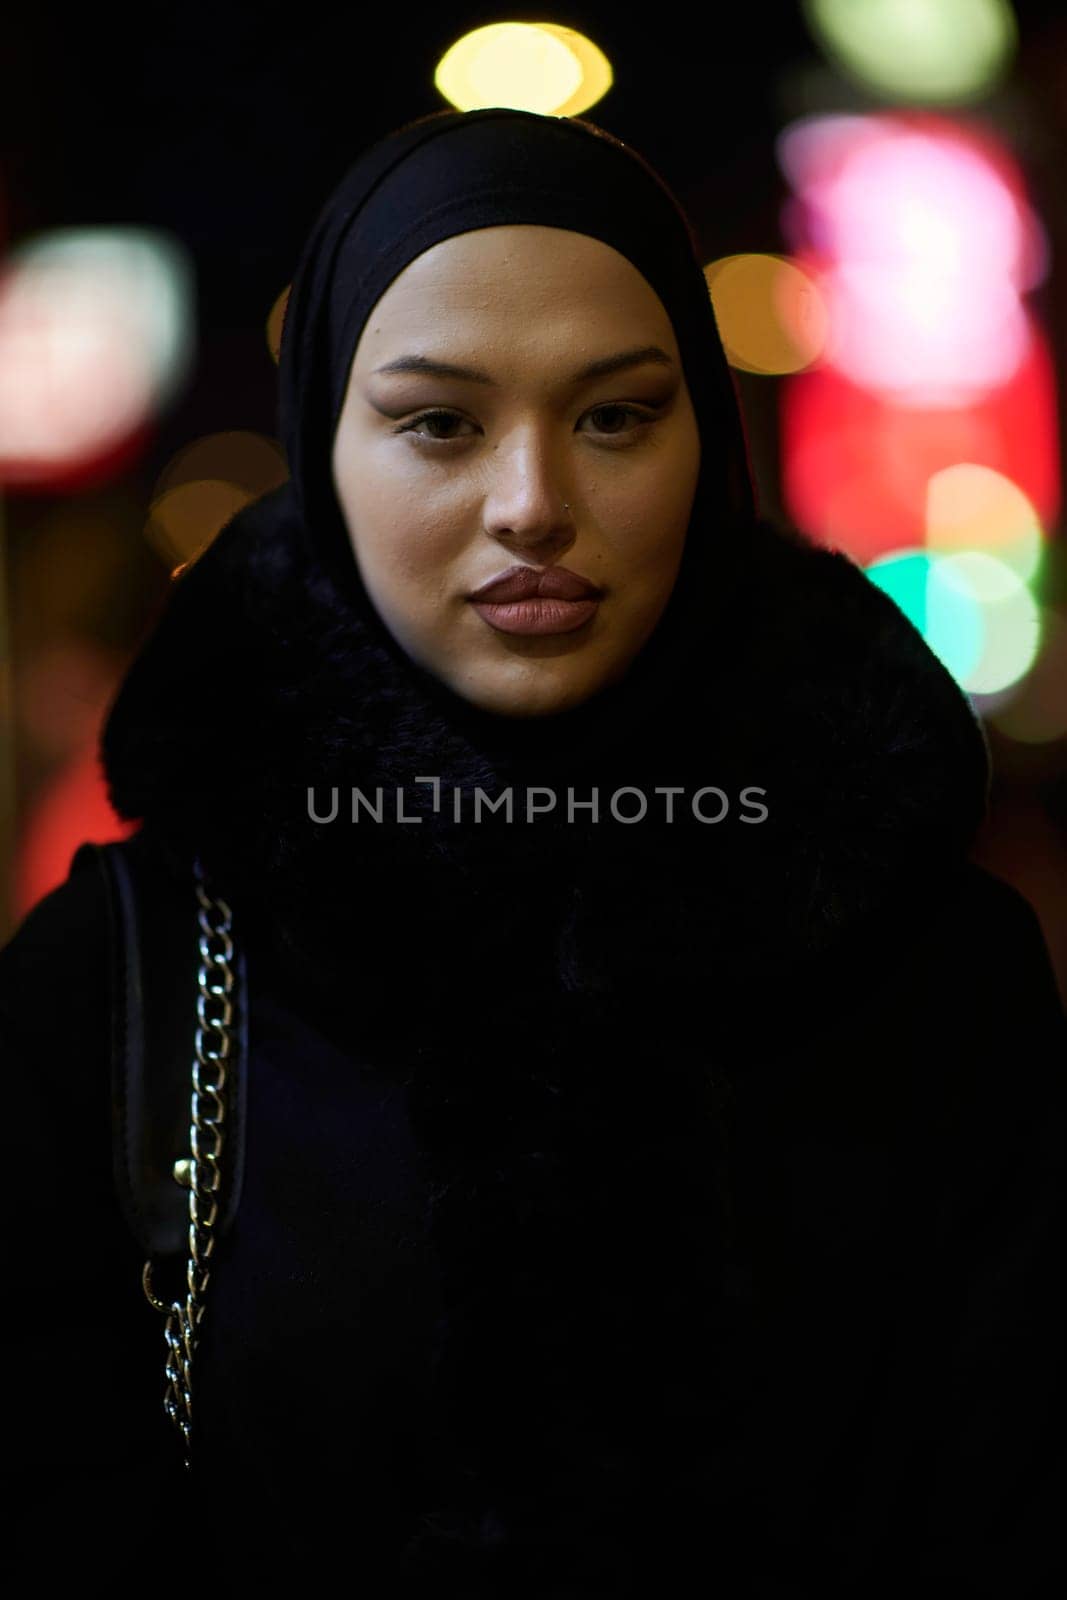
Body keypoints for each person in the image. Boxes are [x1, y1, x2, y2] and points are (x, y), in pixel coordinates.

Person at [4, 106, 1065, 1598]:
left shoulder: (939, 966)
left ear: (706, 433)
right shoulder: (125, 984)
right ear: (326, 442)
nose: (532, 507)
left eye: (617, 415)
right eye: (440, 422)